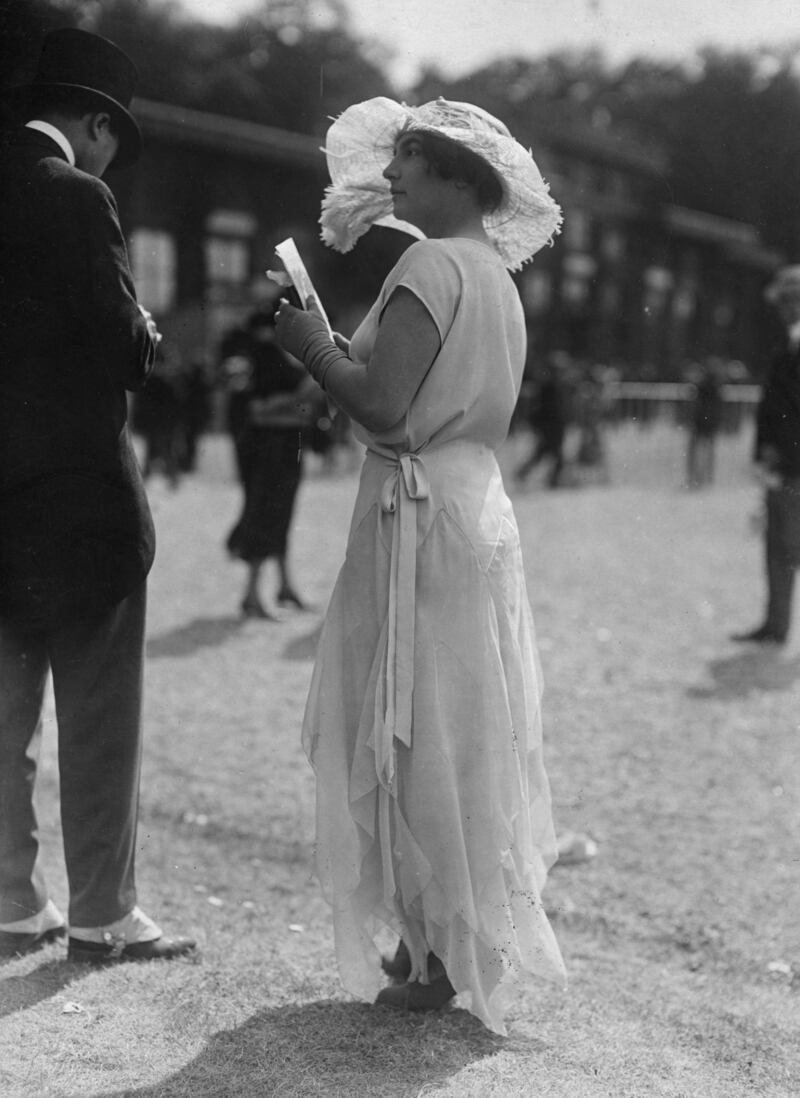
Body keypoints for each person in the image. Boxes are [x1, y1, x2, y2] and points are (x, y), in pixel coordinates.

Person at [275, 96, 567, 1035]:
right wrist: (348, 377)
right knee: (463, 719)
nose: (391, 176)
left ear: (456, 177)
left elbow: (388, 408)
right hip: (474, 504)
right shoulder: (493, 274)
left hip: (420, 515)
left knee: (411, 723)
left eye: (410, 160)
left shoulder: (429, 263)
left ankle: (438, 951)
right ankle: (443, 932)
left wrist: (311, 345)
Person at [0, 28, 195, 964]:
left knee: (2, 716)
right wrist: (146, 325)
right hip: (79, 498)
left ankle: (7, 898)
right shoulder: (80, 195)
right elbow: (126, 347)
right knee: (98, 715)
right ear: (98, 124)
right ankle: (104, 911)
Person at [222, 304, 319, 618]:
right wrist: (296, 399)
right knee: (266, 512)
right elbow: (255, 407)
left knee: (282, 513)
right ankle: (251, 593)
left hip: (286, 443)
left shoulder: (278, 353)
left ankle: (283, 585)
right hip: (270, 446)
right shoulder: (265, 353)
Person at [732, 266, 800, 645]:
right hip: (785, 467)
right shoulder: (789, 346)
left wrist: (782, 460)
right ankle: (776, 626)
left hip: (793, 468)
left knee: (786, 547)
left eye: (791, 301)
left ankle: (777, 626)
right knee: (779, 548)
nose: (785, 310)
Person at [514, 351, 573, 489]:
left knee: (546, 452)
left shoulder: (558, 386)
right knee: (552, 453)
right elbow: (544, 408)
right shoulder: (548, 387)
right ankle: (552, 480)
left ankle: (528, 474)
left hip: (556, 425)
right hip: (550, 425)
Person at [686, 357, 725, 489]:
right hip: (707, 422)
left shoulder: (704, 387)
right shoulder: (716, 386)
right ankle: (704, 478)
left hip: (702, 422)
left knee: (698, 451)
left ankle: (697, 478)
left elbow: (700, 406)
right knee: (706, 451)